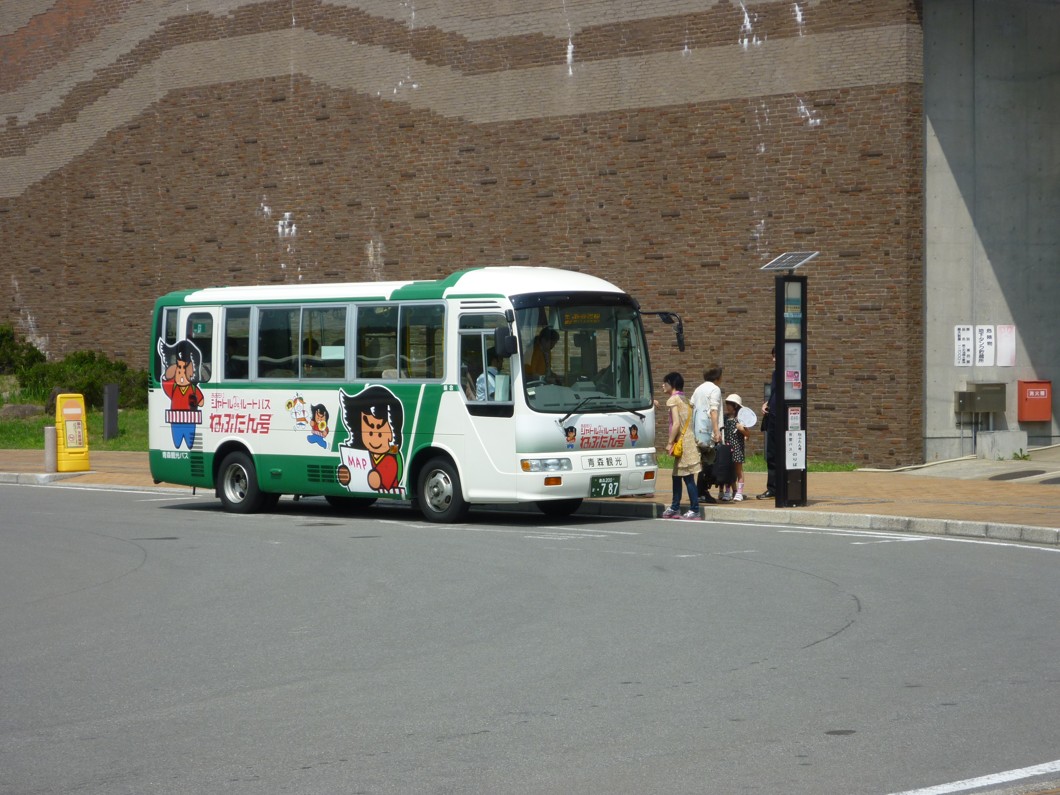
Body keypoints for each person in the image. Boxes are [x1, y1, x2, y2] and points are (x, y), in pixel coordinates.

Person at [660, 372, 702, 520]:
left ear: (672, 384)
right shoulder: (685, 399)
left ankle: (695, 509)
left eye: (665, 383)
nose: (663, 385)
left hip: (682, 442)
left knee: (688, 477)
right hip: (689, 440)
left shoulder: (673, 400)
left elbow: (676, 423)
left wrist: (669, 442)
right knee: (677, 476)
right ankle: (675, 507)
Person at [690, 363, 723, 503]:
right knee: (708, 462)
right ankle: (702, 492)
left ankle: (700, 491)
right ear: (717, 377)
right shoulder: (715, 389)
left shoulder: (698, 389)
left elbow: (691, 405)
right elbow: (714, 410)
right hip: (708, 430)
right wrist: (716, 431)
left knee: (701, 462)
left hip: (697, 430)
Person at [720, 394, 751, 501]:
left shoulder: (740, 419)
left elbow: (748, 434)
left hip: (737, 447)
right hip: (727, 448)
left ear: (735, 406)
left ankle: (739, 492)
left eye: (730, 404)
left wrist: (741, 429)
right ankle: (728, 491)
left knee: (738, 470)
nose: (727, 406)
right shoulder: (724, 417)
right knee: (728, 470)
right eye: (727, 404)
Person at [758, 346, 779, 499]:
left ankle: (782, 487)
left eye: (775, 356)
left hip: (785, 420)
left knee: (782, 454)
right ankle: (772, 488)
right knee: (771, 454)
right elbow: (775, 395)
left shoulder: (790, 374)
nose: (773, 359)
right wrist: (767, 404)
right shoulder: (775, 374)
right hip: (773, 418)